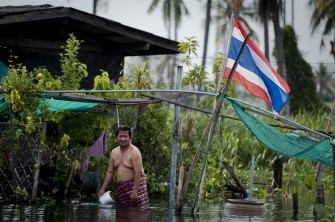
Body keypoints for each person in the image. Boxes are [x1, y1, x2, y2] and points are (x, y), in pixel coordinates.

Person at [98, 126, 149, 207]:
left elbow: (138, 173)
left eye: (125, 136)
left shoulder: (135, 152)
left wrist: (134, 191)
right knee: (121, 214)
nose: (123, 139)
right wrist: (103, 189)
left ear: (130, 138)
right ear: (116, 138)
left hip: (135, 187)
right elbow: (110, 172)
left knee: (135, 213)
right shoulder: (114, 152)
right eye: (120, 136)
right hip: (121, 189)